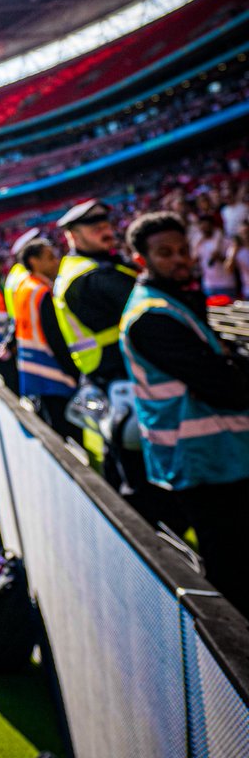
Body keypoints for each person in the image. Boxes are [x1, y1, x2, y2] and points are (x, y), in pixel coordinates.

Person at [121, 212, 249, 618]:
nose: (179, 259)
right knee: (233, 572)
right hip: (203, 461)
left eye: (182, 250)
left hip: (217, 457)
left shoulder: (173, 299)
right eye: (165, 253)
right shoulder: (152, 315)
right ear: (141, 259)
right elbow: (226, 387)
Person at [52, 200, 138, 389]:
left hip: (109, 369)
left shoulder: (78, 266)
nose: (106, 232)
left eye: (107, 226)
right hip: (120, 370)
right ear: (74, 236)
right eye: (96, 229)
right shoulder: (92, 275)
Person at [13, 239, 80, 439]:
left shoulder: (25, 286)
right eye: (50, 257)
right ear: (34, 261)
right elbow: (55, 336)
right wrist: (73, 370)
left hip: (34, 366)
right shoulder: (41, 291)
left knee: (54, 426)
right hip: (52, 369)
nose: (56, 261)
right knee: (68, 430)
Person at [194, 214, 238, 300]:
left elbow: (233, 265)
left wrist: (219, 257)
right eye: (202, 227)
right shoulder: (199, 243)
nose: (205, 229)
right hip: (208, 286)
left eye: (207, 226)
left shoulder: (226, 242)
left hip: (226, 286)